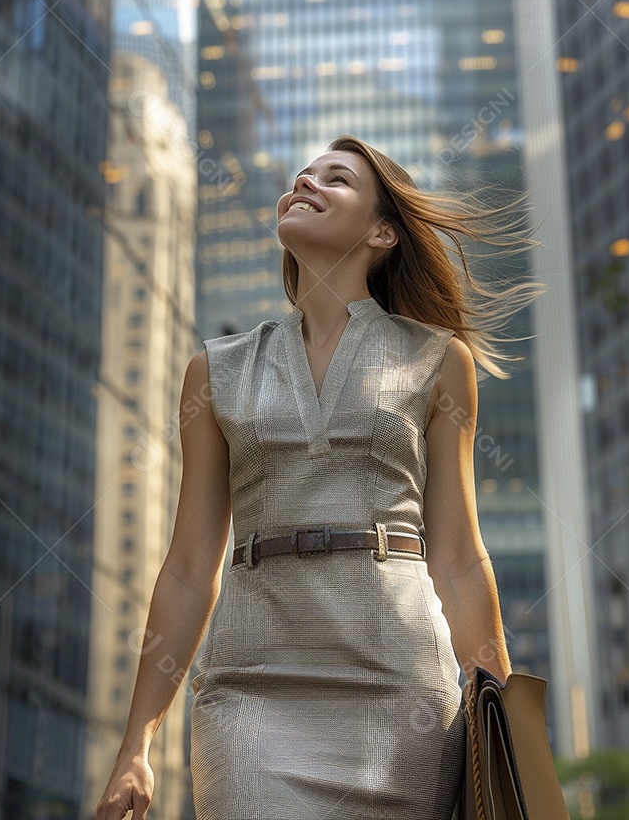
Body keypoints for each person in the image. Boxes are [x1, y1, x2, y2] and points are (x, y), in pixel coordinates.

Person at [96, 134, 542, 820]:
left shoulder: (439, 361)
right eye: (301, 176)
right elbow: (188, 569)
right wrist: (137, 742)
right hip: (249, 693)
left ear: (383, 231)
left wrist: (507, 714)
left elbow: (456, 558)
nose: (305, 183)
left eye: (334, 179)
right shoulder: (215, 371)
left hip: (403, 694)